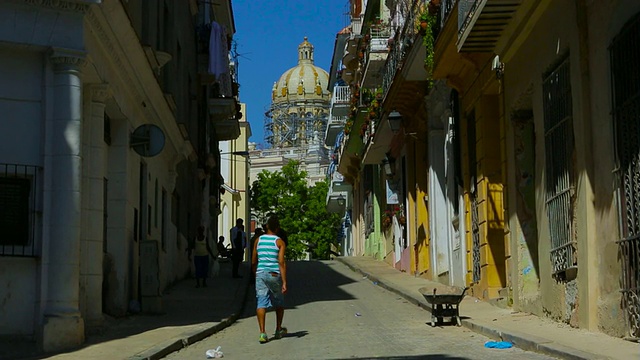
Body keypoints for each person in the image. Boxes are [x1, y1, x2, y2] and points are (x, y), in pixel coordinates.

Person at [252, 216, 287, 343]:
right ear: (277, 228)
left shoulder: (258, 240)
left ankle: (262, 333)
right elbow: (281, 262)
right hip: (274, 274)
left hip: (260, 273)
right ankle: (278, 329)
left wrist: (255, 273)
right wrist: (284, 282)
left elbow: (253, 260)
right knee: (279, 301)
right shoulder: (279, 242)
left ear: (266, 226)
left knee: (261, 302)